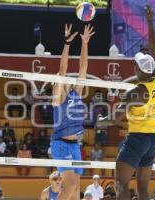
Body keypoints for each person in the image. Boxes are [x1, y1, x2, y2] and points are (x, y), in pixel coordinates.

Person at [108, 5, 155, 200]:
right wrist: (150, 22)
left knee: (120, 184)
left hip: (136, 139)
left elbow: (114, 120)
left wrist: (97, 120)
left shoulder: (134, 93)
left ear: (136, 68)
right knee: (142, 189)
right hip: (151, 140)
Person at [50, 24, 94, 200]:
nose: (65, 79)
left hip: (75, 145)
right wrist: (67, 44)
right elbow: (62, 69)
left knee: (76, 189)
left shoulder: (76, 91)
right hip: (61, 144)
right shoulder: (58, 98)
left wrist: (84, 43)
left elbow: (83, 68)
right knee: (71, 185)